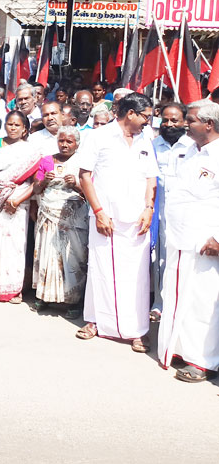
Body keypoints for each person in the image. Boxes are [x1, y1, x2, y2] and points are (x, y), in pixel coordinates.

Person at [76, 93, 157, 353]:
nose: (148, 121)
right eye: (145, 116)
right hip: (105, 216)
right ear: (130, 113)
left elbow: (150, 178)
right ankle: (96, 321)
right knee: (101, 271)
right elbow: (85, 176)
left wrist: (148, 208)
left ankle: (137, 330)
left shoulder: (146, 139)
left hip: (138, 218)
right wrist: (98, 211)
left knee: (136, 275)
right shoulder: (98, 137)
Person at [157, 101, 219, 382]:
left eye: (190, 120)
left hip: (206, 242)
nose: (184, 124)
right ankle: (180, 348)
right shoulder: (190, 152)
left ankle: (203, 361)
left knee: (203, 302)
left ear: (209, 124)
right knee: (178, 295)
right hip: (181, 238)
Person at [0, 111, 41, 303]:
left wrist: (18, 200)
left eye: (17, 125)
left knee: (15, 244)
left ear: (24, 129)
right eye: (9, 124)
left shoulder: (30, 151)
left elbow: (36, 182)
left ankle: (13, 289)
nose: (12, 128)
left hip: (17, 201)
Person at [31, 126, 89, 317]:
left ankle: (73, 301)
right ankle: (44, 296)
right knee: (48, 253)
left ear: (77, 144)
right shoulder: (47, 160)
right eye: (61, 141)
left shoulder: (83, 162)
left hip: (74, 217)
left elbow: (92, 190)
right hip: (49, 214)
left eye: (69, 141)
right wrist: (44, 181)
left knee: (72, 257)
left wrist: (78, 184)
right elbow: (37, 189)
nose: (64, 145)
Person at [150, 102, 193, 321]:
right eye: (165, 120)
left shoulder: (193, 147)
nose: (169, 124)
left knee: (179, 258)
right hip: (157, 210)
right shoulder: (151, 145)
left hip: (184, 213)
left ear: (184, 122)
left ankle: (180, 305)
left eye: (174, 120)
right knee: (158, 259)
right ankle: (159, 303)